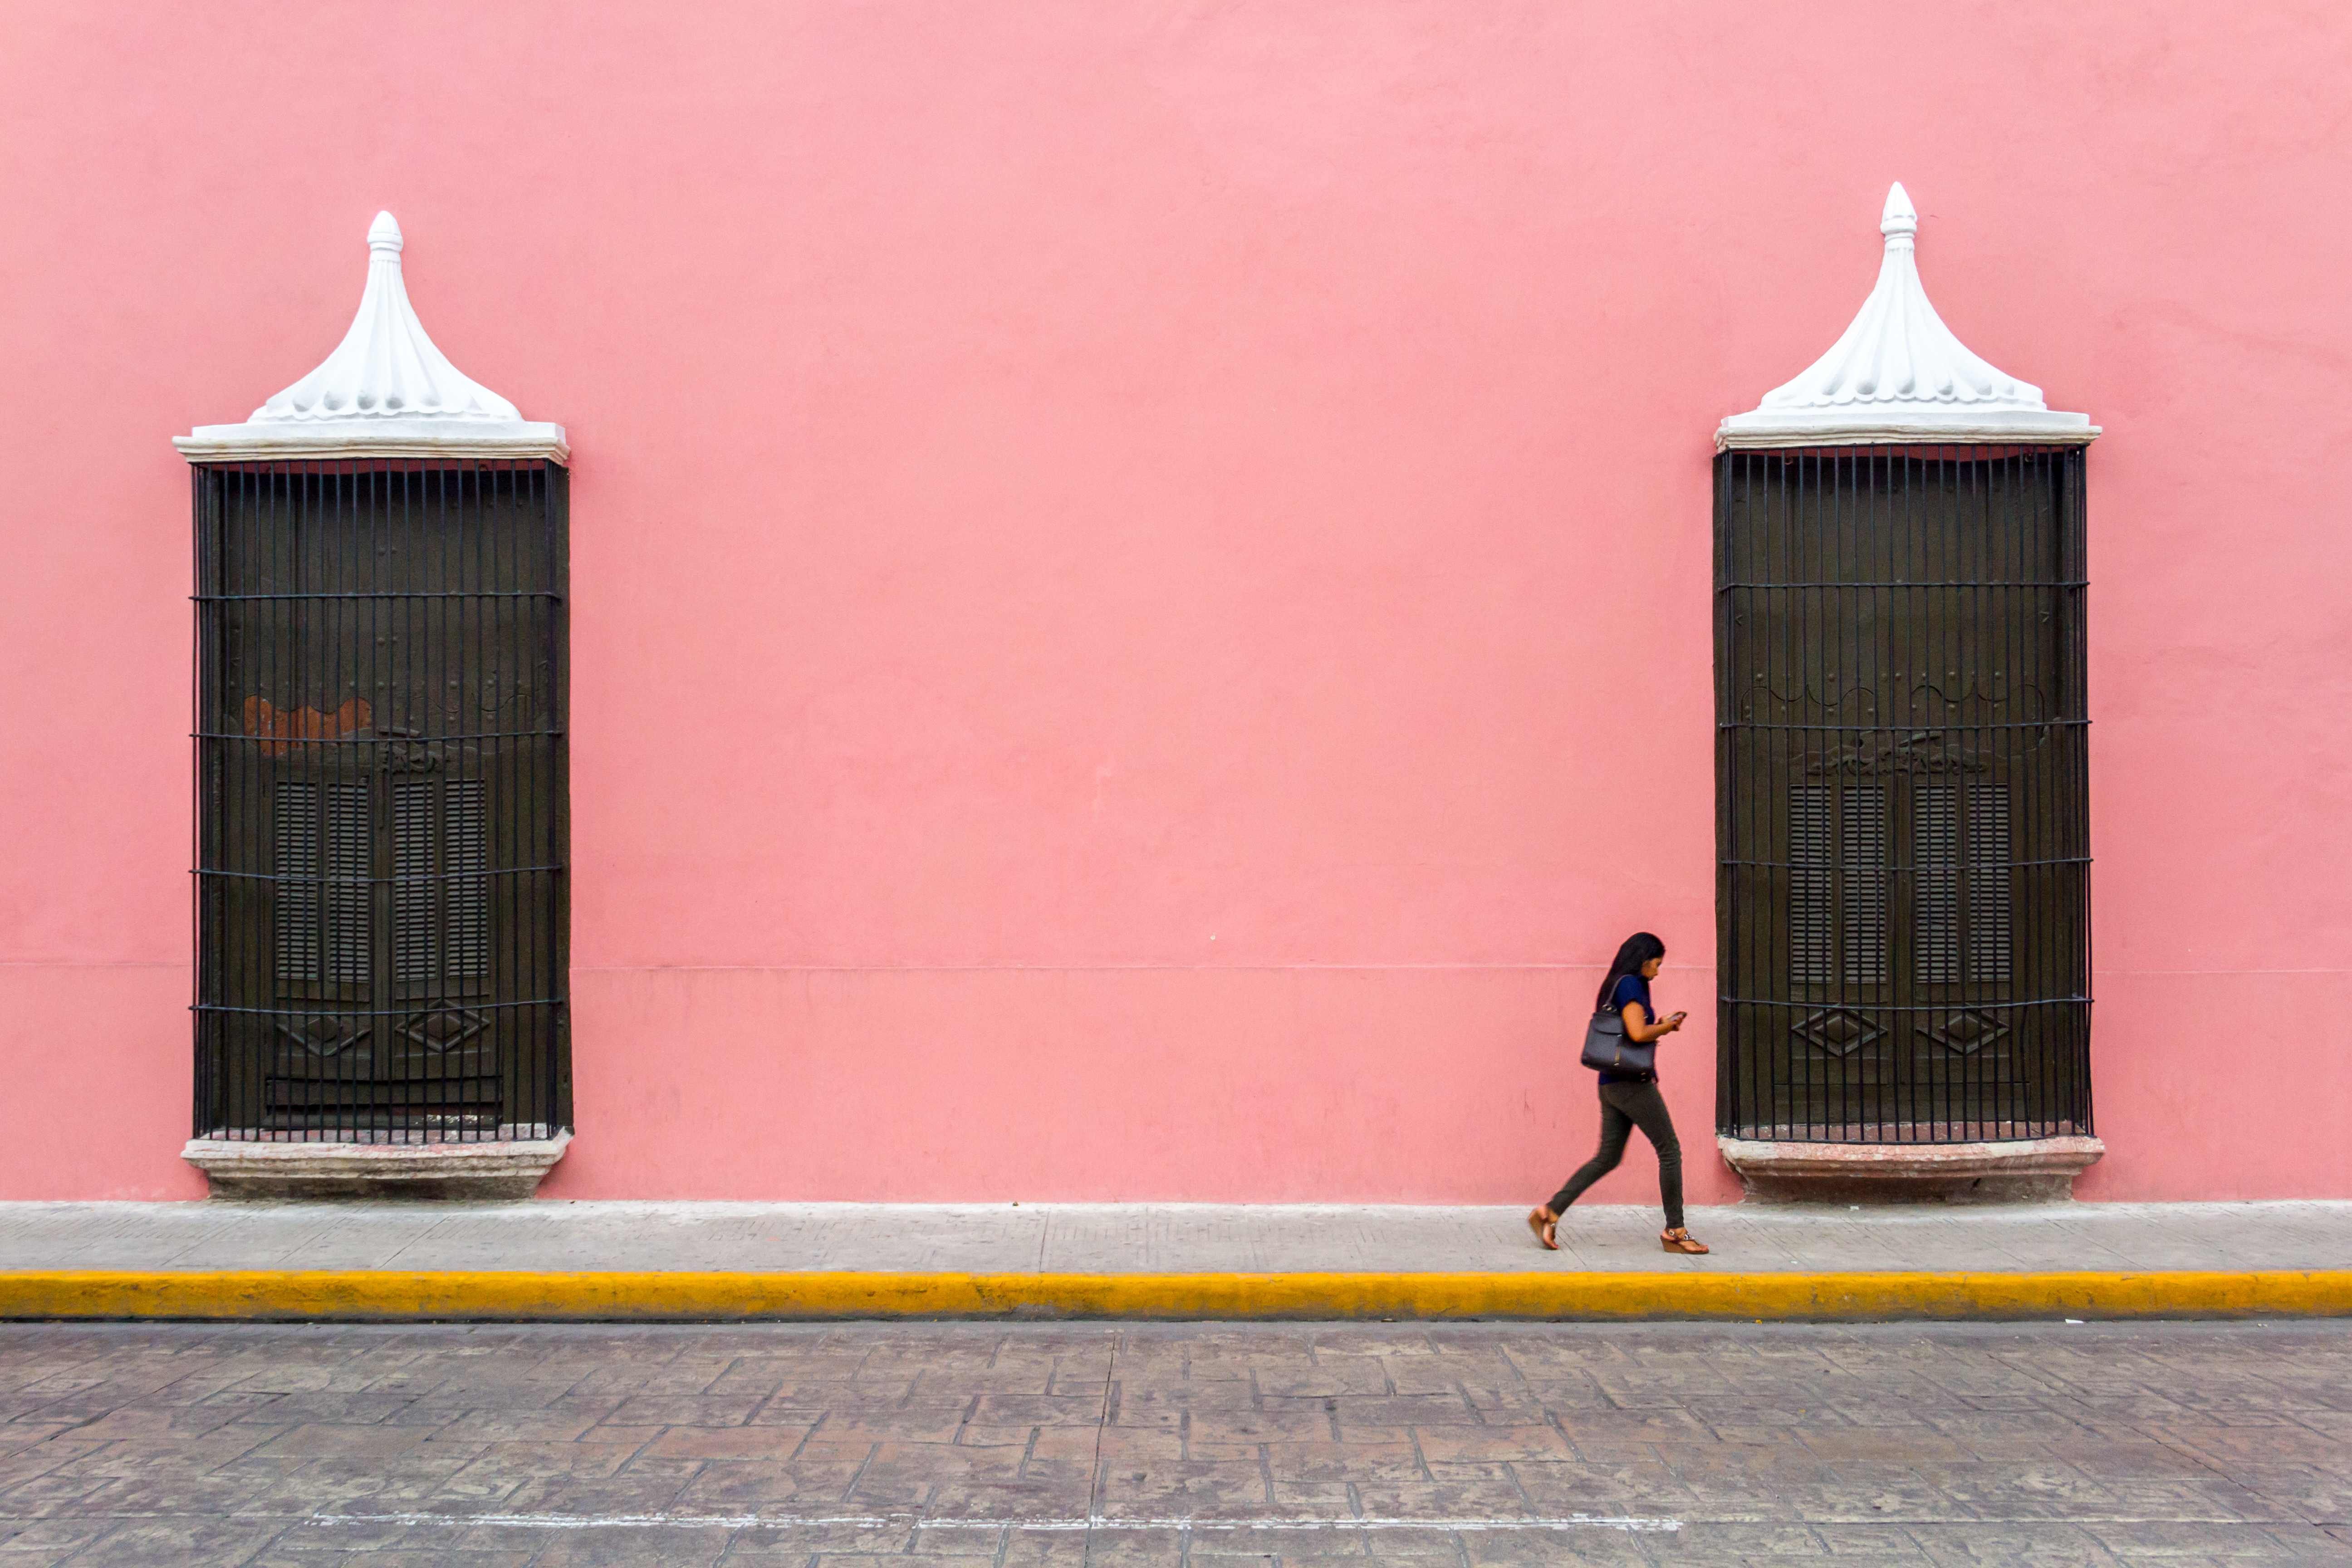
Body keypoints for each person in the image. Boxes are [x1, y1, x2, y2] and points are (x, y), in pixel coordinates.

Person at [1528, 932, 1709, 1254]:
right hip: (1631, 1084)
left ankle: (1550, 1212)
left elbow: (1631, 1030)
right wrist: (1666, 1027)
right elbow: (1638, 1034)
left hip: (1610, 1084)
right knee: (1670, 1150)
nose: (1658, 971)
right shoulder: (1631, 985)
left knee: (1608, 1157)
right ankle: (1676, 1231)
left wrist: (1662, 1023)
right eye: (1657, 964)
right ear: (1644, 960)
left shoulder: (1618, 983)